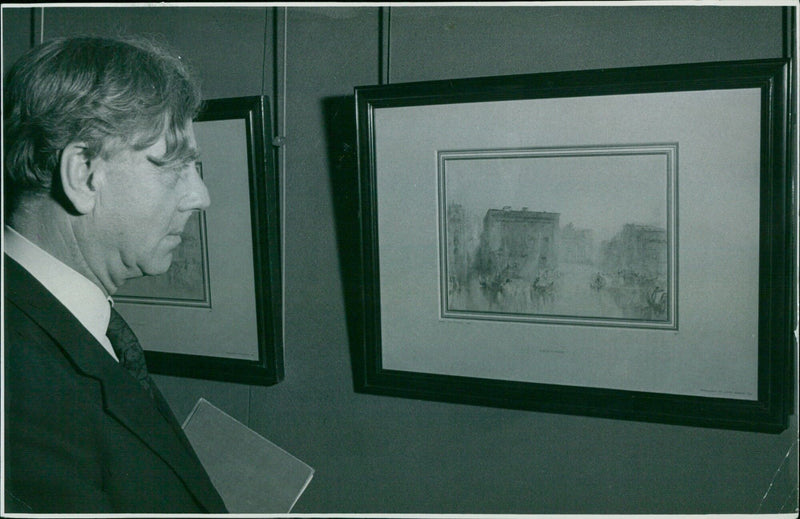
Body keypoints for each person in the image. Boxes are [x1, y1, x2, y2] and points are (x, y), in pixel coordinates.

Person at [3, 36, 227, 513]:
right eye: (175, 166)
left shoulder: (67, 321)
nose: (200, 196)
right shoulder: (15, 380)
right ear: (84, 174)